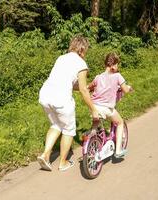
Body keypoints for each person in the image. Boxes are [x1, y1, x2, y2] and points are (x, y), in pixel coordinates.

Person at [37, 36, 99, 171]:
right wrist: (93, 109)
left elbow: (70, 83)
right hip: (61, 99)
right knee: (69, 130)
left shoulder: (61, 58)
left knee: (56, 124)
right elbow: (82, 89)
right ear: (83, 49)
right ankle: (63, 163)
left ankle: (45, 155)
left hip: (45, 95)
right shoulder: (81, 63)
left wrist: (87, 87)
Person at [88, 52, 133, 158]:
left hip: (94, 107)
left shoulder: (98, 77)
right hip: (106, 108)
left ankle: (91, 138)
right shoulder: (117, 76)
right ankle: (118, 151)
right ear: (113, 65)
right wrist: (129, 88)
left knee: (96, 123)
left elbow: (89, 87)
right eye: (117, 65)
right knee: (120, 122)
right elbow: (125, 90)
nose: (117, 67)